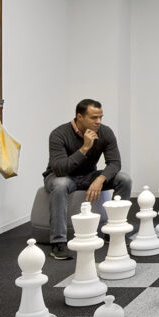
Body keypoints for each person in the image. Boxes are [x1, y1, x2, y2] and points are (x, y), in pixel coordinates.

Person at [43, 99, 131, 260]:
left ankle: (114, 232)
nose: (98, 122)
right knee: (61, 185)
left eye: (100, 117)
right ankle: (58, 243)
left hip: (89, 176)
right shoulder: (59, 134)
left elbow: (115, 163)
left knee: (124, 179)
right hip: (61, 176)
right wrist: (84, 147)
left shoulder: (105, 132)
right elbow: (60, 168)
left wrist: (100, 179)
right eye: (93, 118)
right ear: (79, 117)